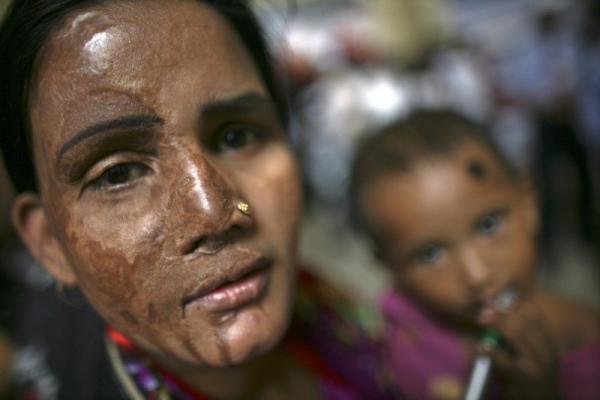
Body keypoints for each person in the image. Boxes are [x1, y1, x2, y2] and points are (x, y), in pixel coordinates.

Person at [0, 0, 393, 398]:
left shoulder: (352, 322)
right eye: (119, 175)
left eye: (235, 136)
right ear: (50, 243)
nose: (213, 213)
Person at [350, 110, 600, 399]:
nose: (477, 274)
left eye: (488, 225)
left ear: (528, 204)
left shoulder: (583, 336)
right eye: (430, 254)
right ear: (388, 266)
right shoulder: (387, 340)